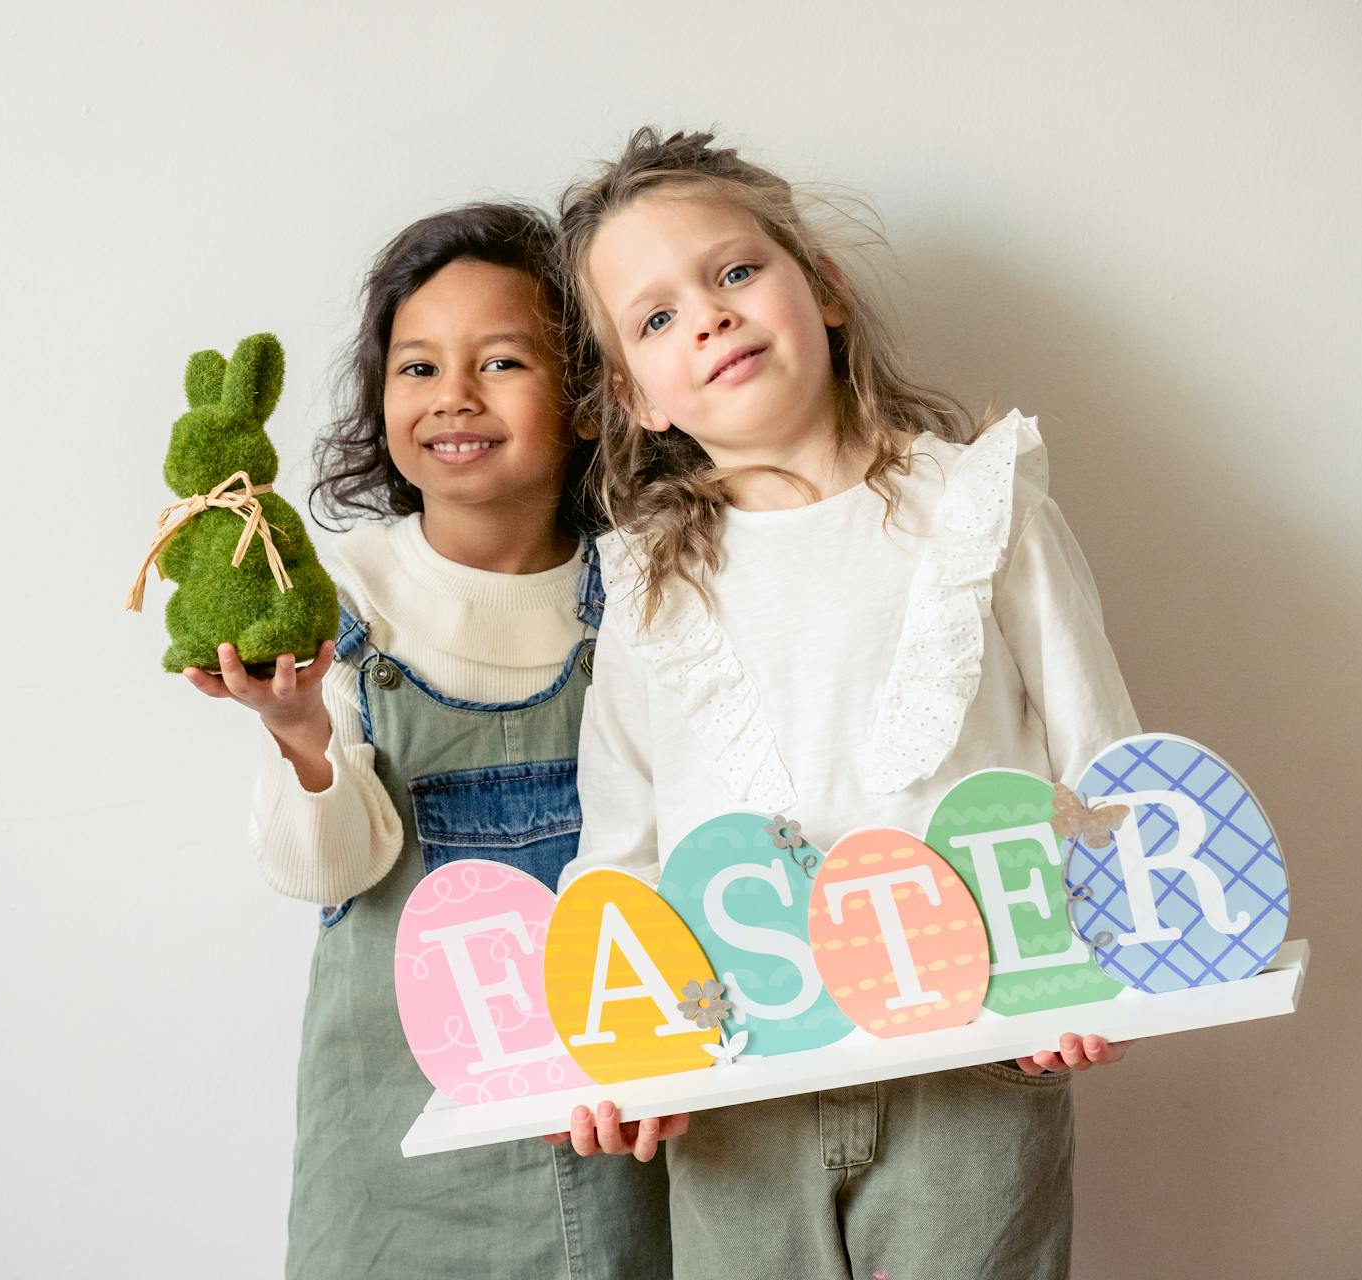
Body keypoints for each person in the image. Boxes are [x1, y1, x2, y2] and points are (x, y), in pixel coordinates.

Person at [553, 128, 1136, 1279]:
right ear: (635, 395)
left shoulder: (980, 507)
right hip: (734, 1094)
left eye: (732, 273)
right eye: (657, 317)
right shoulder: (647, 588)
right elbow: (620, 847)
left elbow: (1103, 764)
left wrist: (1094, 961)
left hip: (977, 1064)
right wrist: (614, 1051)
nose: (709, 317)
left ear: (820, 288)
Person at [187, 202, 671, 1279]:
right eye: (417, 367)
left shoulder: (646, 589)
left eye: (500, 360)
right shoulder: (339, 591)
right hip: (400, 1138)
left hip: (617, 1111)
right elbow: (331, 868)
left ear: (590, 400)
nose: (454, 395)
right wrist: (297, 729)